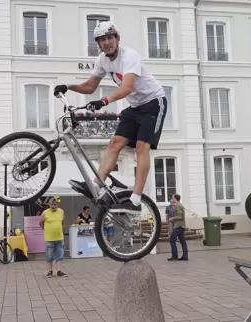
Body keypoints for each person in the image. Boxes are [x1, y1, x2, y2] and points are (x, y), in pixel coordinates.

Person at [54, 21, 167, 215]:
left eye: (109, 38)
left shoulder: (130, 56)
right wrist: (68, 86)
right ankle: (96, 186)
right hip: (135, 106)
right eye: (102, 40)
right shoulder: (102, 60)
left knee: (142, 147)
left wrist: (104, 101)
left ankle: (136, 199)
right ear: (98, 44)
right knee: (114, 144)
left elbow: (127, 87)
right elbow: (90, 86)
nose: (106, 43)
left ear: (117, 39)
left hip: (153, 103)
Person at [39, 198, 67, 277]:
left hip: (59, 238)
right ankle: (50, 271)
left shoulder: (61, 211)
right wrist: (45, 229)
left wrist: (60, 229)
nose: (53, 206)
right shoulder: (45, 213)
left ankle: (59, 271)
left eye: (55, 204)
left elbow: (63, 222)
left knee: (60, 255)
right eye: (51, 204)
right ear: (49, 205)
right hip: (49, 239)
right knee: (49, 255)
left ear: (57, 205)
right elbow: (40, 223)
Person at [167, 194, 188, 261]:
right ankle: (185, 256)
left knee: (172, 239)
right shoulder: (179, 205)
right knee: (183, 241)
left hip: (178, 226)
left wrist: (172, 218)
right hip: (181, 225)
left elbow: (180, 216)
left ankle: (174, 255)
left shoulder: (178, 206)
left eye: (173, 198)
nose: (172, 199)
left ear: (175, 198)